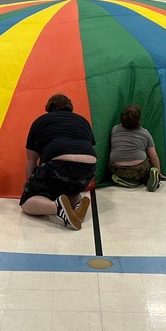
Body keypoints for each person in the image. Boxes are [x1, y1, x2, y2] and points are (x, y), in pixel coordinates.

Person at [19, 94, 96, 230]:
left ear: (48, 108)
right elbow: (89, 148)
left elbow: (32, 159)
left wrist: (29, 187)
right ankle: (77, 205)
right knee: (69, 191)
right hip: (88, 169)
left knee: (27, 203)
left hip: (58, 165)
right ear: (70, 108)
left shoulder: (41, 121)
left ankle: (57, 207)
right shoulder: (83, 121)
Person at [107, 104, 162, 191]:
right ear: (139, 120)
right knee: (147, 171)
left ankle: (126, 181)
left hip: (117, 168)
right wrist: (158, 171)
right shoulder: (145, 133)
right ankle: (152, 179)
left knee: (113, 174)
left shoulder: (115, 130)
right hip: (139, 168)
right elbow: (154, 157)